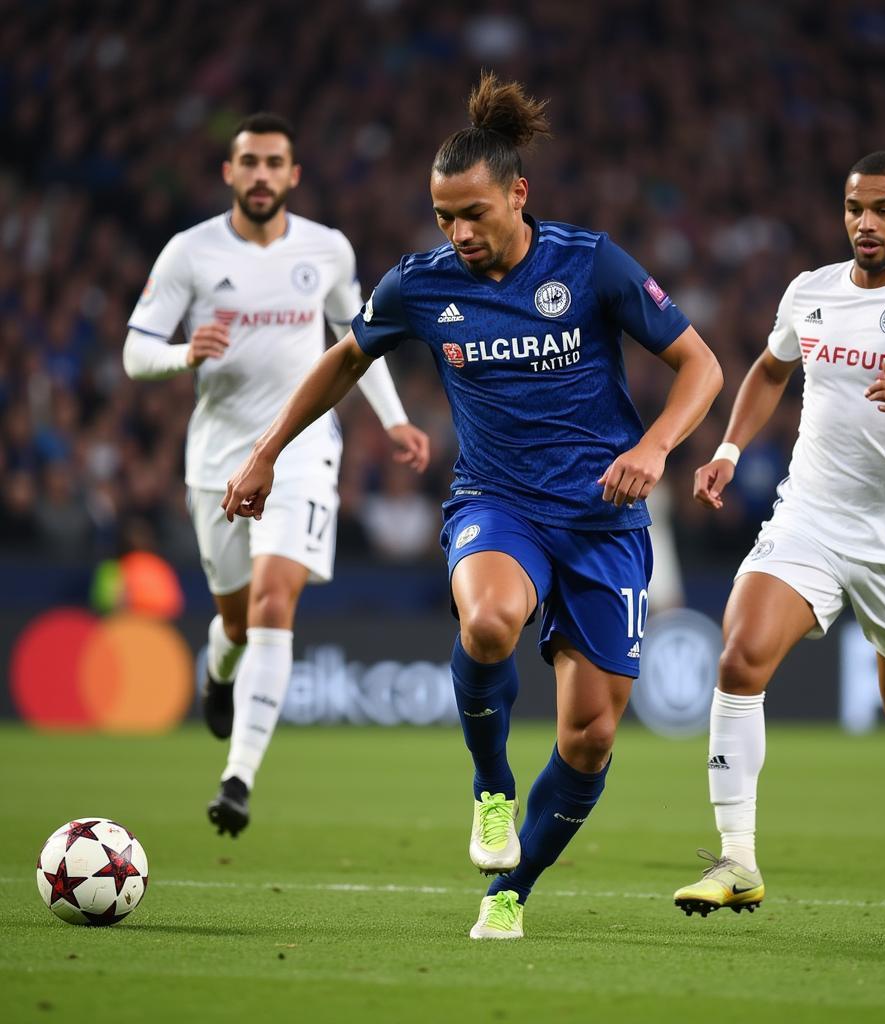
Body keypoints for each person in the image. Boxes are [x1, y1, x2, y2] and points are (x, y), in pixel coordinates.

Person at [222, 74, 722, 939]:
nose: (458, 235)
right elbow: (345, 360)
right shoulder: (421, 283)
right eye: (444, 217)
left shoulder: (590, 261)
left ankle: (510, 890)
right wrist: (267, 452)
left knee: (590, 741)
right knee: (488, 623)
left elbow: (702, 366)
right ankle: (491, 789)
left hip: (605, 521)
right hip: (500, 503)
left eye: (474, 215)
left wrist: (654, 447)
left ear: (518, 195)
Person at [675, 151, 885, 918]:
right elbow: (767, 370)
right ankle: (738, 859)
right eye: (855, 207)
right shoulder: (810, 292)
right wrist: (727, 450)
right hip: (810, 518)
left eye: (883, 209)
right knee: (739, 656)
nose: (864, 222)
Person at [123, 113, 430, 838]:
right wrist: (183, 355)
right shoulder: (188, 253)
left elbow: (357, 339)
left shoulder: (326, 249)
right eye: (248, 163)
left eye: (274, 164)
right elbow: (136, 353)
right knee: (233, 620)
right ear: (229, 173)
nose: (261, 175)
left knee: (271, 600)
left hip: (301, 453)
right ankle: (218, 670)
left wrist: (391, 419)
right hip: (215, 458)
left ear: (294, 176)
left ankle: (237, 777)